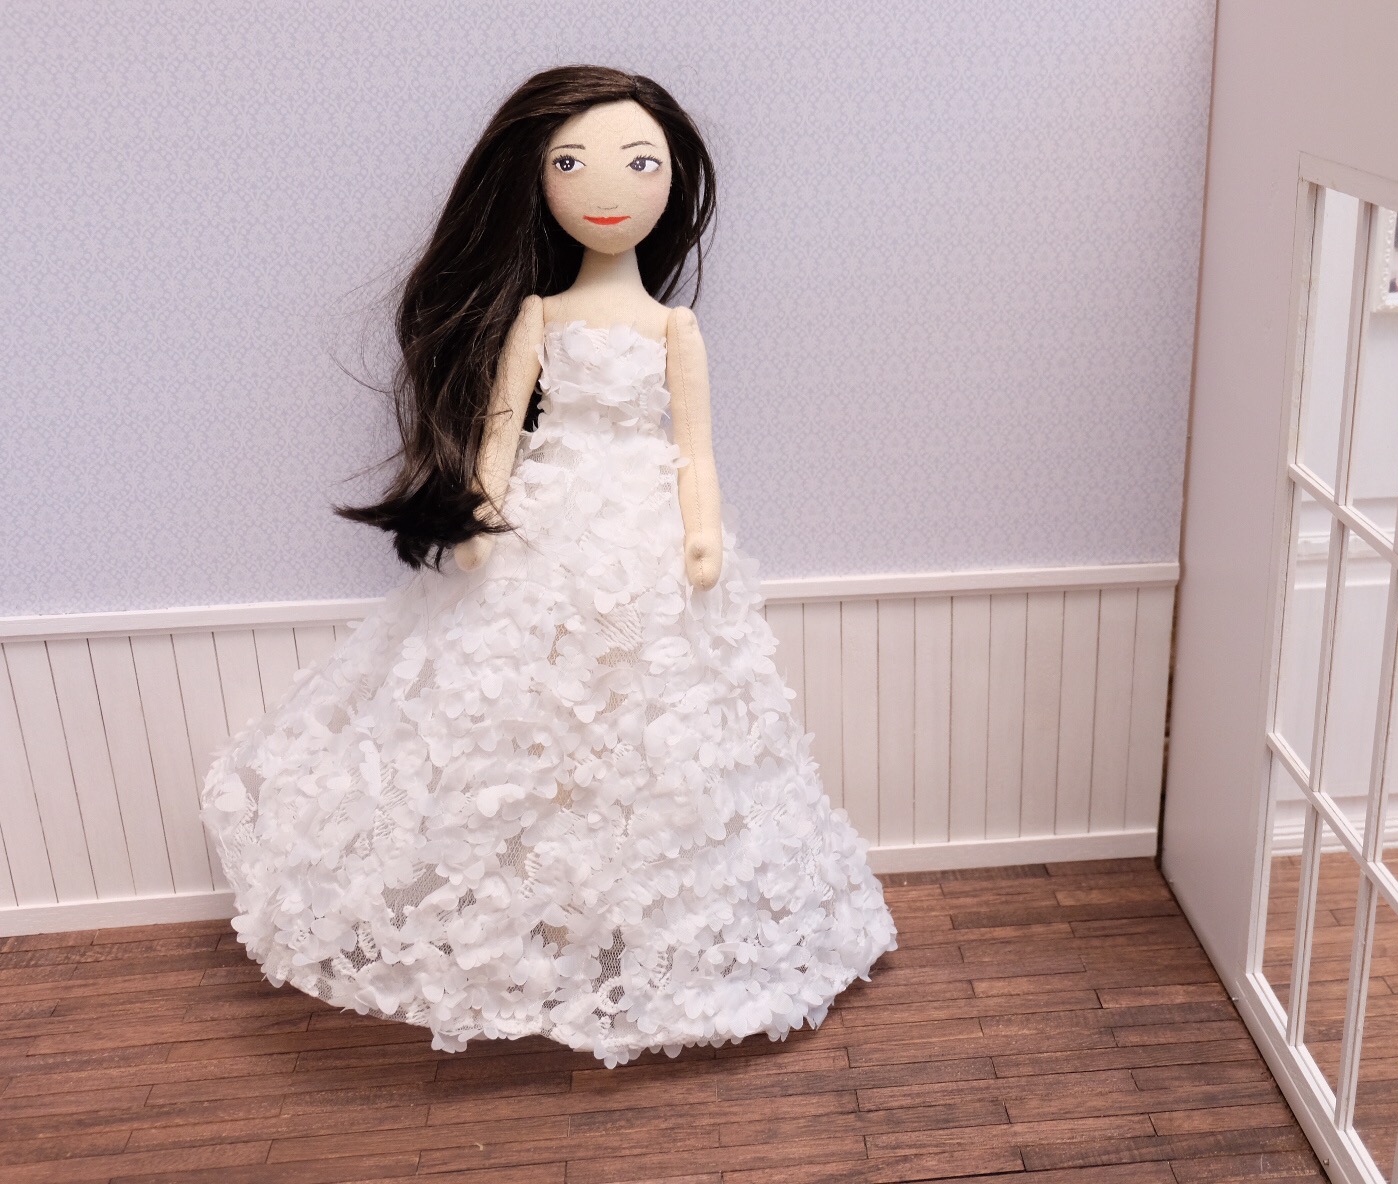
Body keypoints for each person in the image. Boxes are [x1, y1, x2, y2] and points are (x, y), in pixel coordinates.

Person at [199, 65, 898, 1068]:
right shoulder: (540, 315)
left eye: (639, 163)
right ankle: (540, 919)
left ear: (673, 183)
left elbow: (695, 449)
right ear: (537, 182)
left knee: (656, 723)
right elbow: (498, 432)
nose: (605, 186)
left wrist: (702, 533)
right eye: (570, 164)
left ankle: (649, 919)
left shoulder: (673, 327)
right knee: (524, 718)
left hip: (649, 535)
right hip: (548, 523)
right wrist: (477, 514)